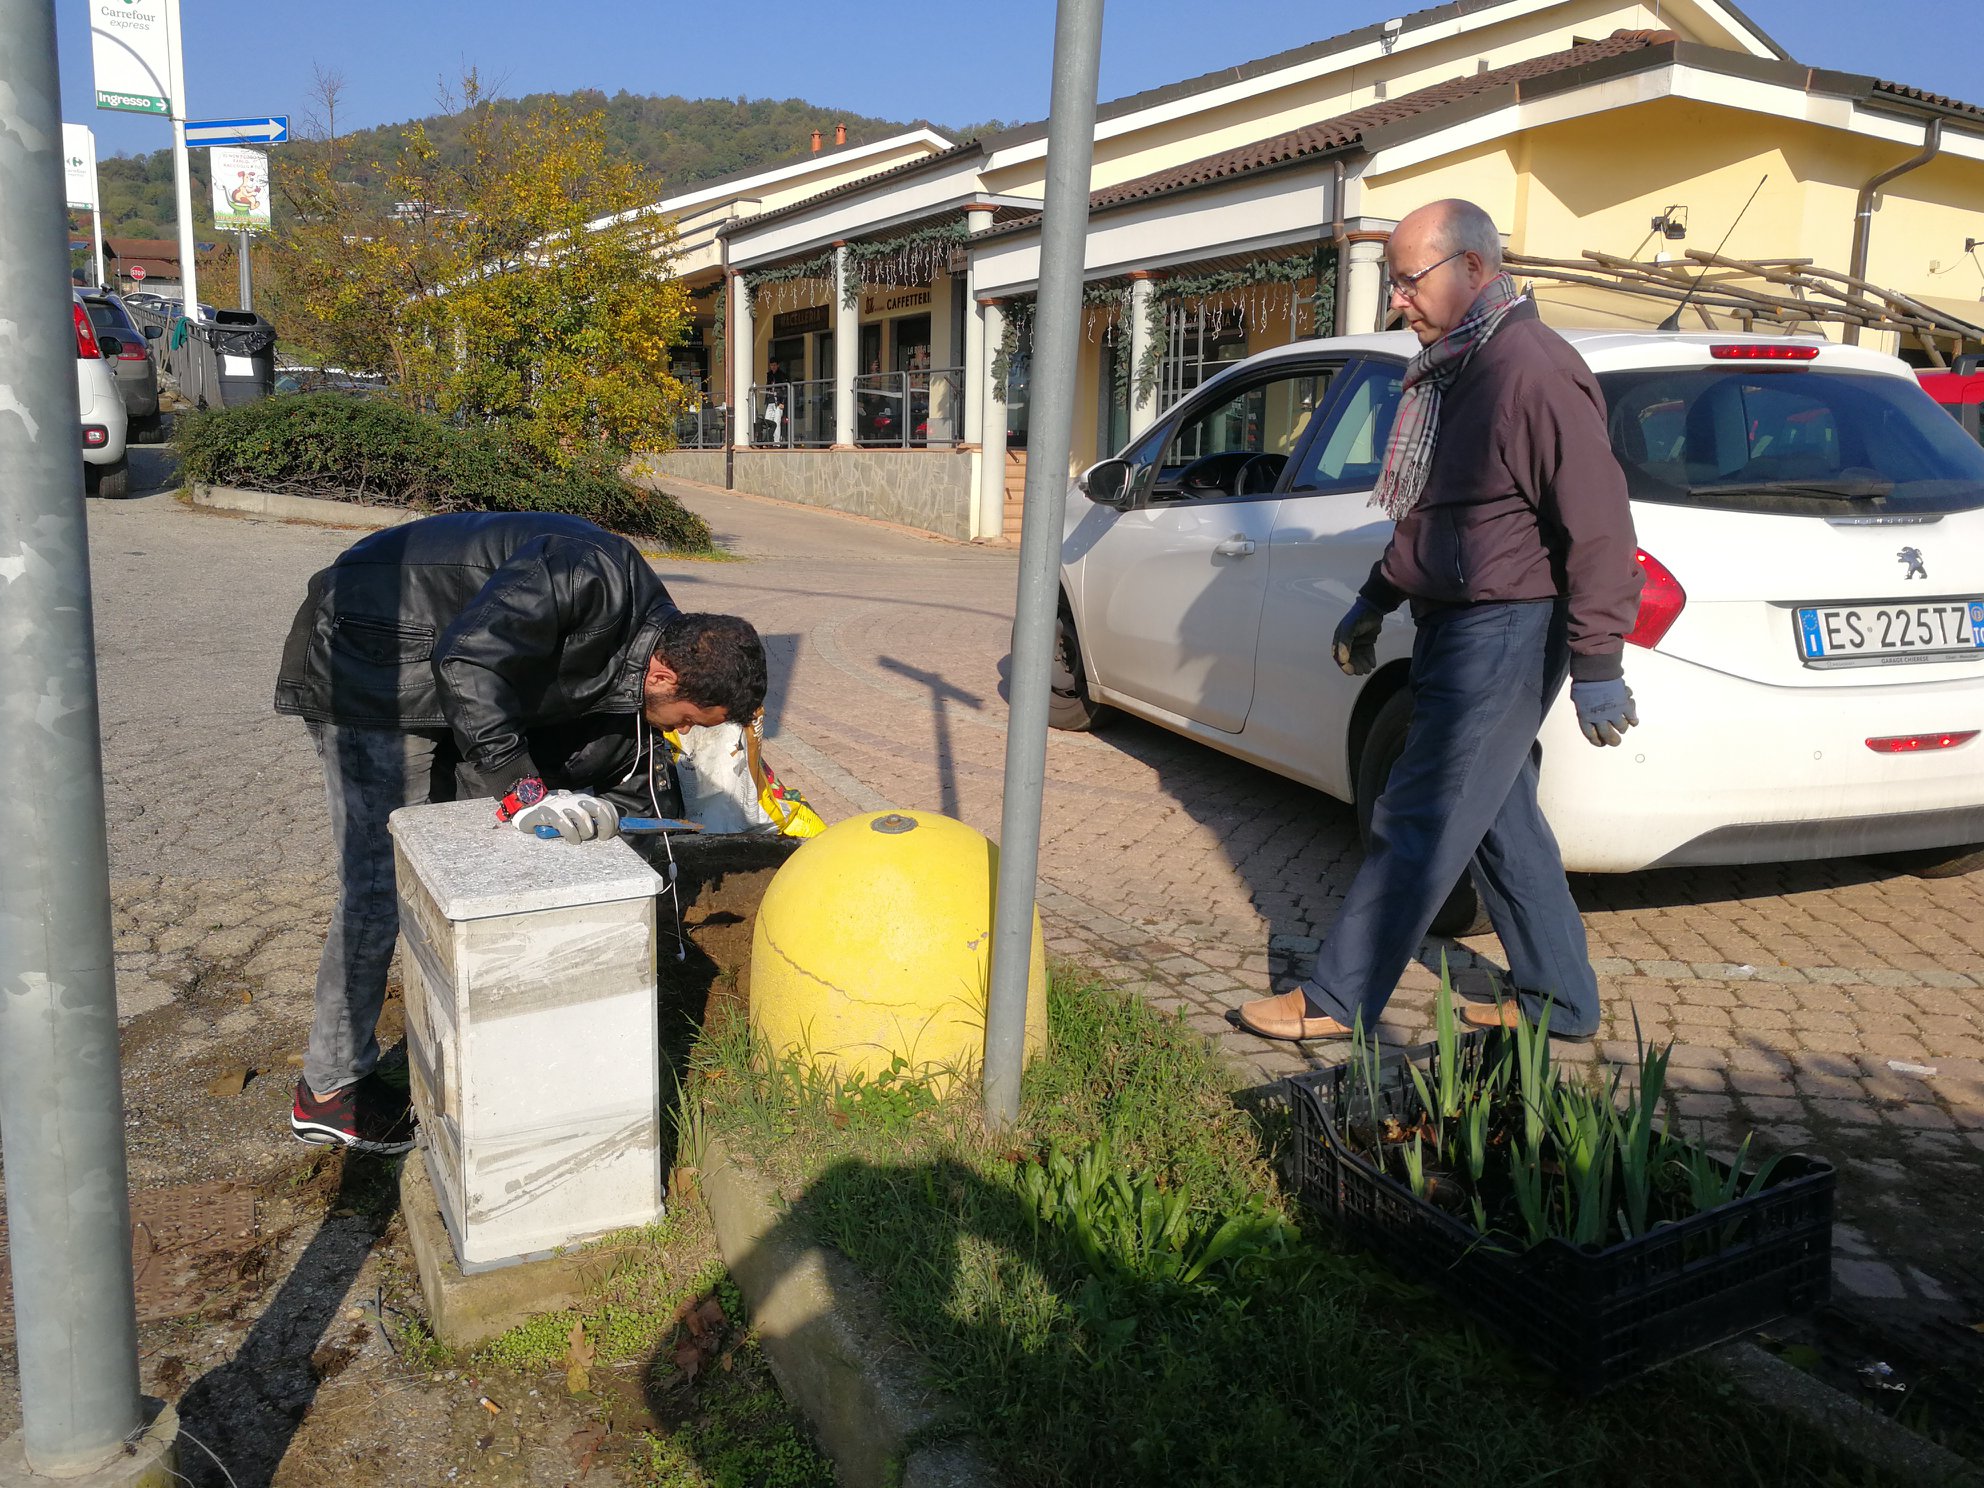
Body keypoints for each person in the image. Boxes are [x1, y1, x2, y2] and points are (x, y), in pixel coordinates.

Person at [1235, 198, 1641, 1045]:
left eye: (1408, 279)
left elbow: (1599, 522)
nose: (1395, 299)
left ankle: (1335, 999)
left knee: (1417, 812)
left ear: (1475, 271)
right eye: (1393, 280)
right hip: (1459, 622)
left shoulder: (1531, 369)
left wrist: (1599, 660)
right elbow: (1442, 513)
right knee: (1496, 816)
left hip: (1506, 628)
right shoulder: (1460, 367)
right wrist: (1377, 597)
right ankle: (1560, 1000)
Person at [273, 511, 767, 1150]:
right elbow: (468, 664)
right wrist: (525, 791)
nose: (685, 733)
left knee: (476, 858)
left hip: (441, 673)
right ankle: (329, 1090)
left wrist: (613, 830)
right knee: (377, 888)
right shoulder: (589, 576)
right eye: (692, 719)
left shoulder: (651, 644)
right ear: (665, 677)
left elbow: (616, 762)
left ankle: (475, 1040)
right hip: (376, 650)